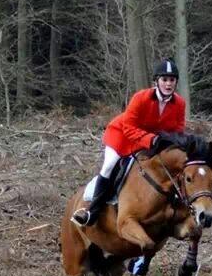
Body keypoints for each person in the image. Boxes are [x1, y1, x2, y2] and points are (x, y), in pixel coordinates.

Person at [71, 58, 186, 227]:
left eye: (172, 80)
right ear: (156, 81)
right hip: (122, 136)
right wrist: (151, 139)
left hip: (151, 142)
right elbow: (128, 127)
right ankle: (92, 211)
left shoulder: (180, 103)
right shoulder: (141, 98)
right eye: (164, 80)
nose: (168, 84)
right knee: (110, 165)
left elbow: (178, 130)